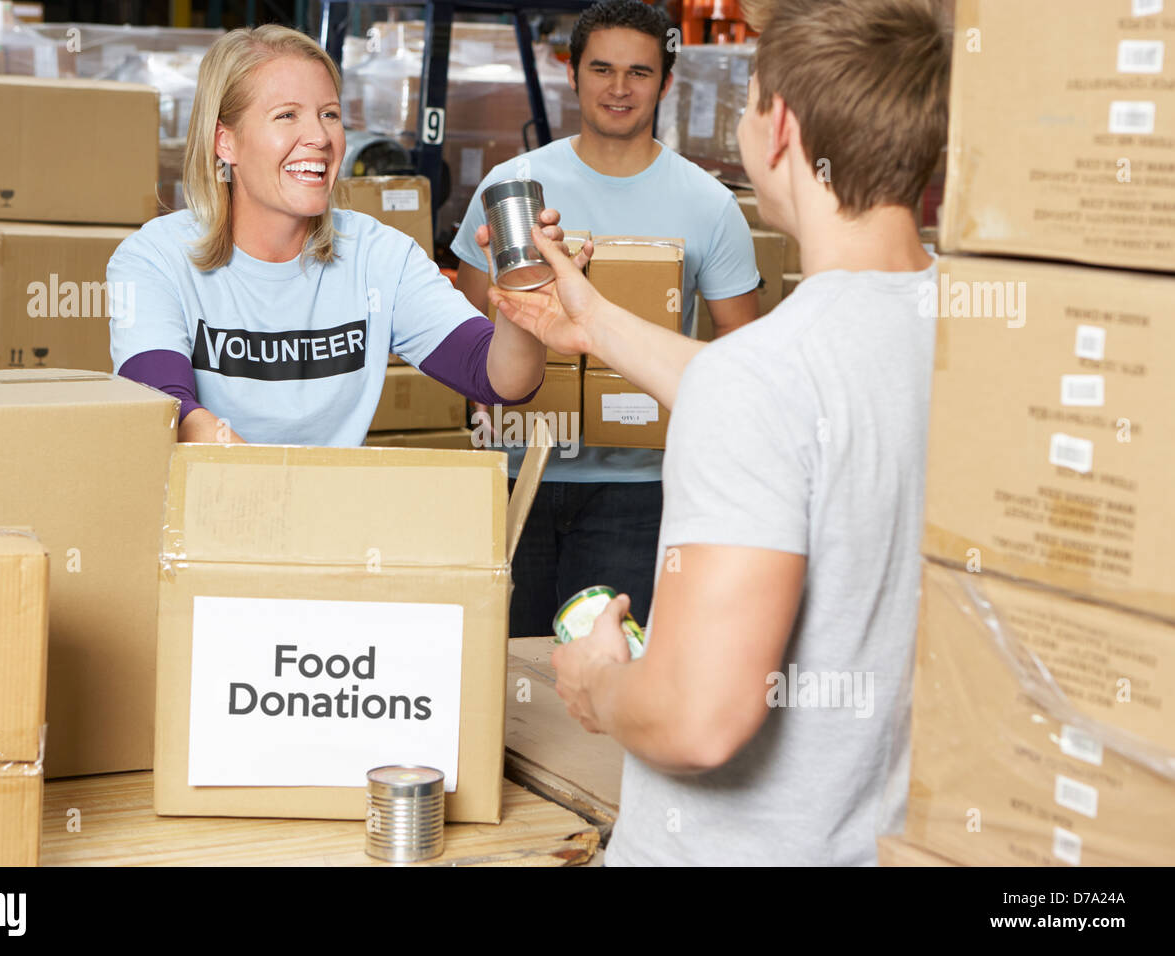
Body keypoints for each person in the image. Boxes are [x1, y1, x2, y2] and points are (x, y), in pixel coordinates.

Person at [491, 0, 950, 865]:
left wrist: (599, 684)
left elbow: (698, 720)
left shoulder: (766, 374)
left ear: (778, 129)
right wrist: (591, 323)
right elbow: (792, 402)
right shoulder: (965, 334)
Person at [452, 0, 760, 637]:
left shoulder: (709, 204)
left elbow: (740, 341)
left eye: (640, 73)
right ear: (571, 73)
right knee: (502, 671)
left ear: (666, 84)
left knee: (609, 673)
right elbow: (468, 324)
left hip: (637, 488)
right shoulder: (515, 187)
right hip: (515, 473)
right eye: (602, 69)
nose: (619, 89)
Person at [108, 24, 574, 444]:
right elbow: (164, 410)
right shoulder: (154, 259)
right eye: (286, 115)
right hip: (204, 521)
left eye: (329, 114)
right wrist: (274, 495)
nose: (319, 136)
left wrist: (522, 298)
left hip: (330, 524)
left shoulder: (379, 257)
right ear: (224, 141)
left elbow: (498, 380)